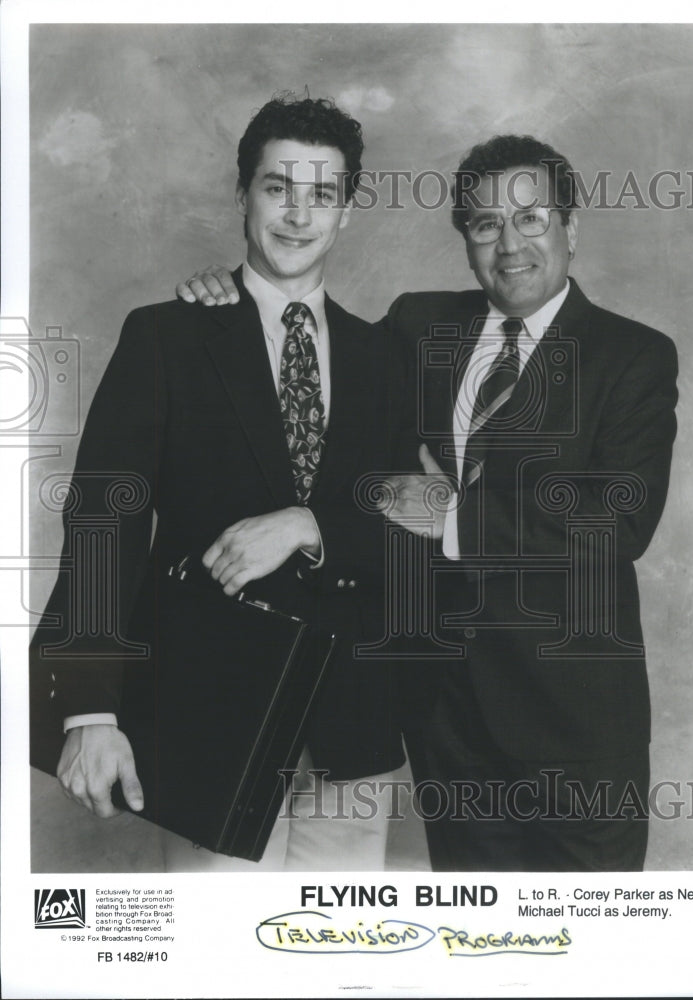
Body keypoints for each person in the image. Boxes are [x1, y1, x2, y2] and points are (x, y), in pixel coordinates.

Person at [176, 132, 679, 872]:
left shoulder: (633, 356)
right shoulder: (419, 327)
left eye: (532, 219)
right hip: (445, 729)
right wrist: (234, 296)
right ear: (466, 239)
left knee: (584, 955)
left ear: (571, 227)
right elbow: (307, 376)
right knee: (477, 951)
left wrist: (448, 516)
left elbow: (617, 518)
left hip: (575, 733)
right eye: (484, 225)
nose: (509, 246)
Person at [30, 94, 411, 871]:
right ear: (243, 195)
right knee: (222, 970)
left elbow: (415, 522)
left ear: (348, 213)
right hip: (210, 719)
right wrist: (90, 709)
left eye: (323, 195)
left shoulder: (385, 358)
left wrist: (312, 524)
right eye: (278, 188)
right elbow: (106, 519)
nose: (299, 216)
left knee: (340, 970)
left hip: (354, 736)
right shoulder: (167, 336)